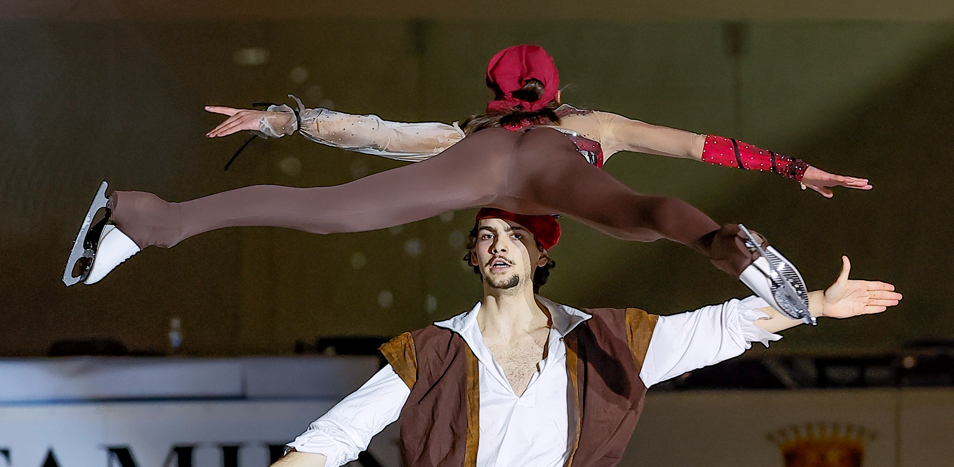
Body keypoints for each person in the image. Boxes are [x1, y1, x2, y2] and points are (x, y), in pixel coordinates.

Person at [176, 208, 900, 467]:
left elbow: (720, 326)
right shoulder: (432, 349)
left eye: (515, 235)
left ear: (540, 253)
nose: (498, 245)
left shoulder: (603, 338)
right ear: (471, 255)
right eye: (485, 235)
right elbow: (342, 432)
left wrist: (815, 304)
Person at [65, 45, 870, 322]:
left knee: (326, 213)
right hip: (559, 164)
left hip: (482, 165)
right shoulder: (594, 126)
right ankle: (722, 243)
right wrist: (794, 169)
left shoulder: (469, 135)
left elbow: (367, 132)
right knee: (638, 214)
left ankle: (149, 218)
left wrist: (281, 119)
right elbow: (699, 147)